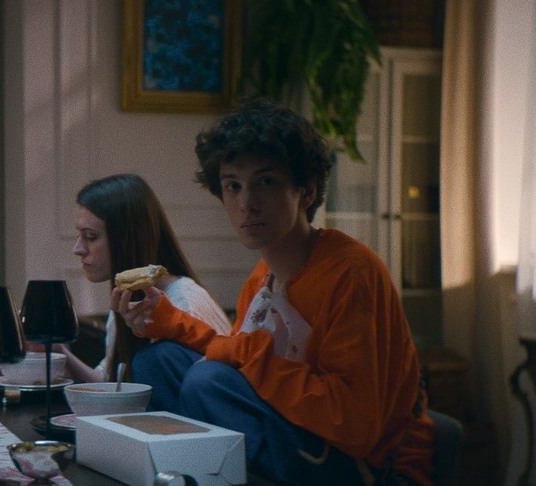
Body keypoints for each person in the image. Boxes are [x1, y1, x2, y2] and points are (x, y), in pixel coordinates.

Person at [116, 100, 434, 484]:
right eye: (233, 186)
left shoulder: (351, 273)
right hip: (300, 437)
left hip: (370, 466)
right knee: (158, 362)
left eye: (266, 182)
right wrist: (168, 322)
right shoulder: (263, 276)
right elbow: (241, 356)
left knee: (208, 382)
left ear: (306, 191)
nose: (246, 204)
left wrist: (245, 354)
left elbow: (354, 425)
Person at [57, 174, 230, 383]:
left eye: (90, 237)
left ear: (127, 238)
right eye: (79, 235)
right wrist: (59, 352)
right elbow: (112, 382)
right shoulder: (129, 302)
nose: (77, 249)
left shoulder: (184, 302)